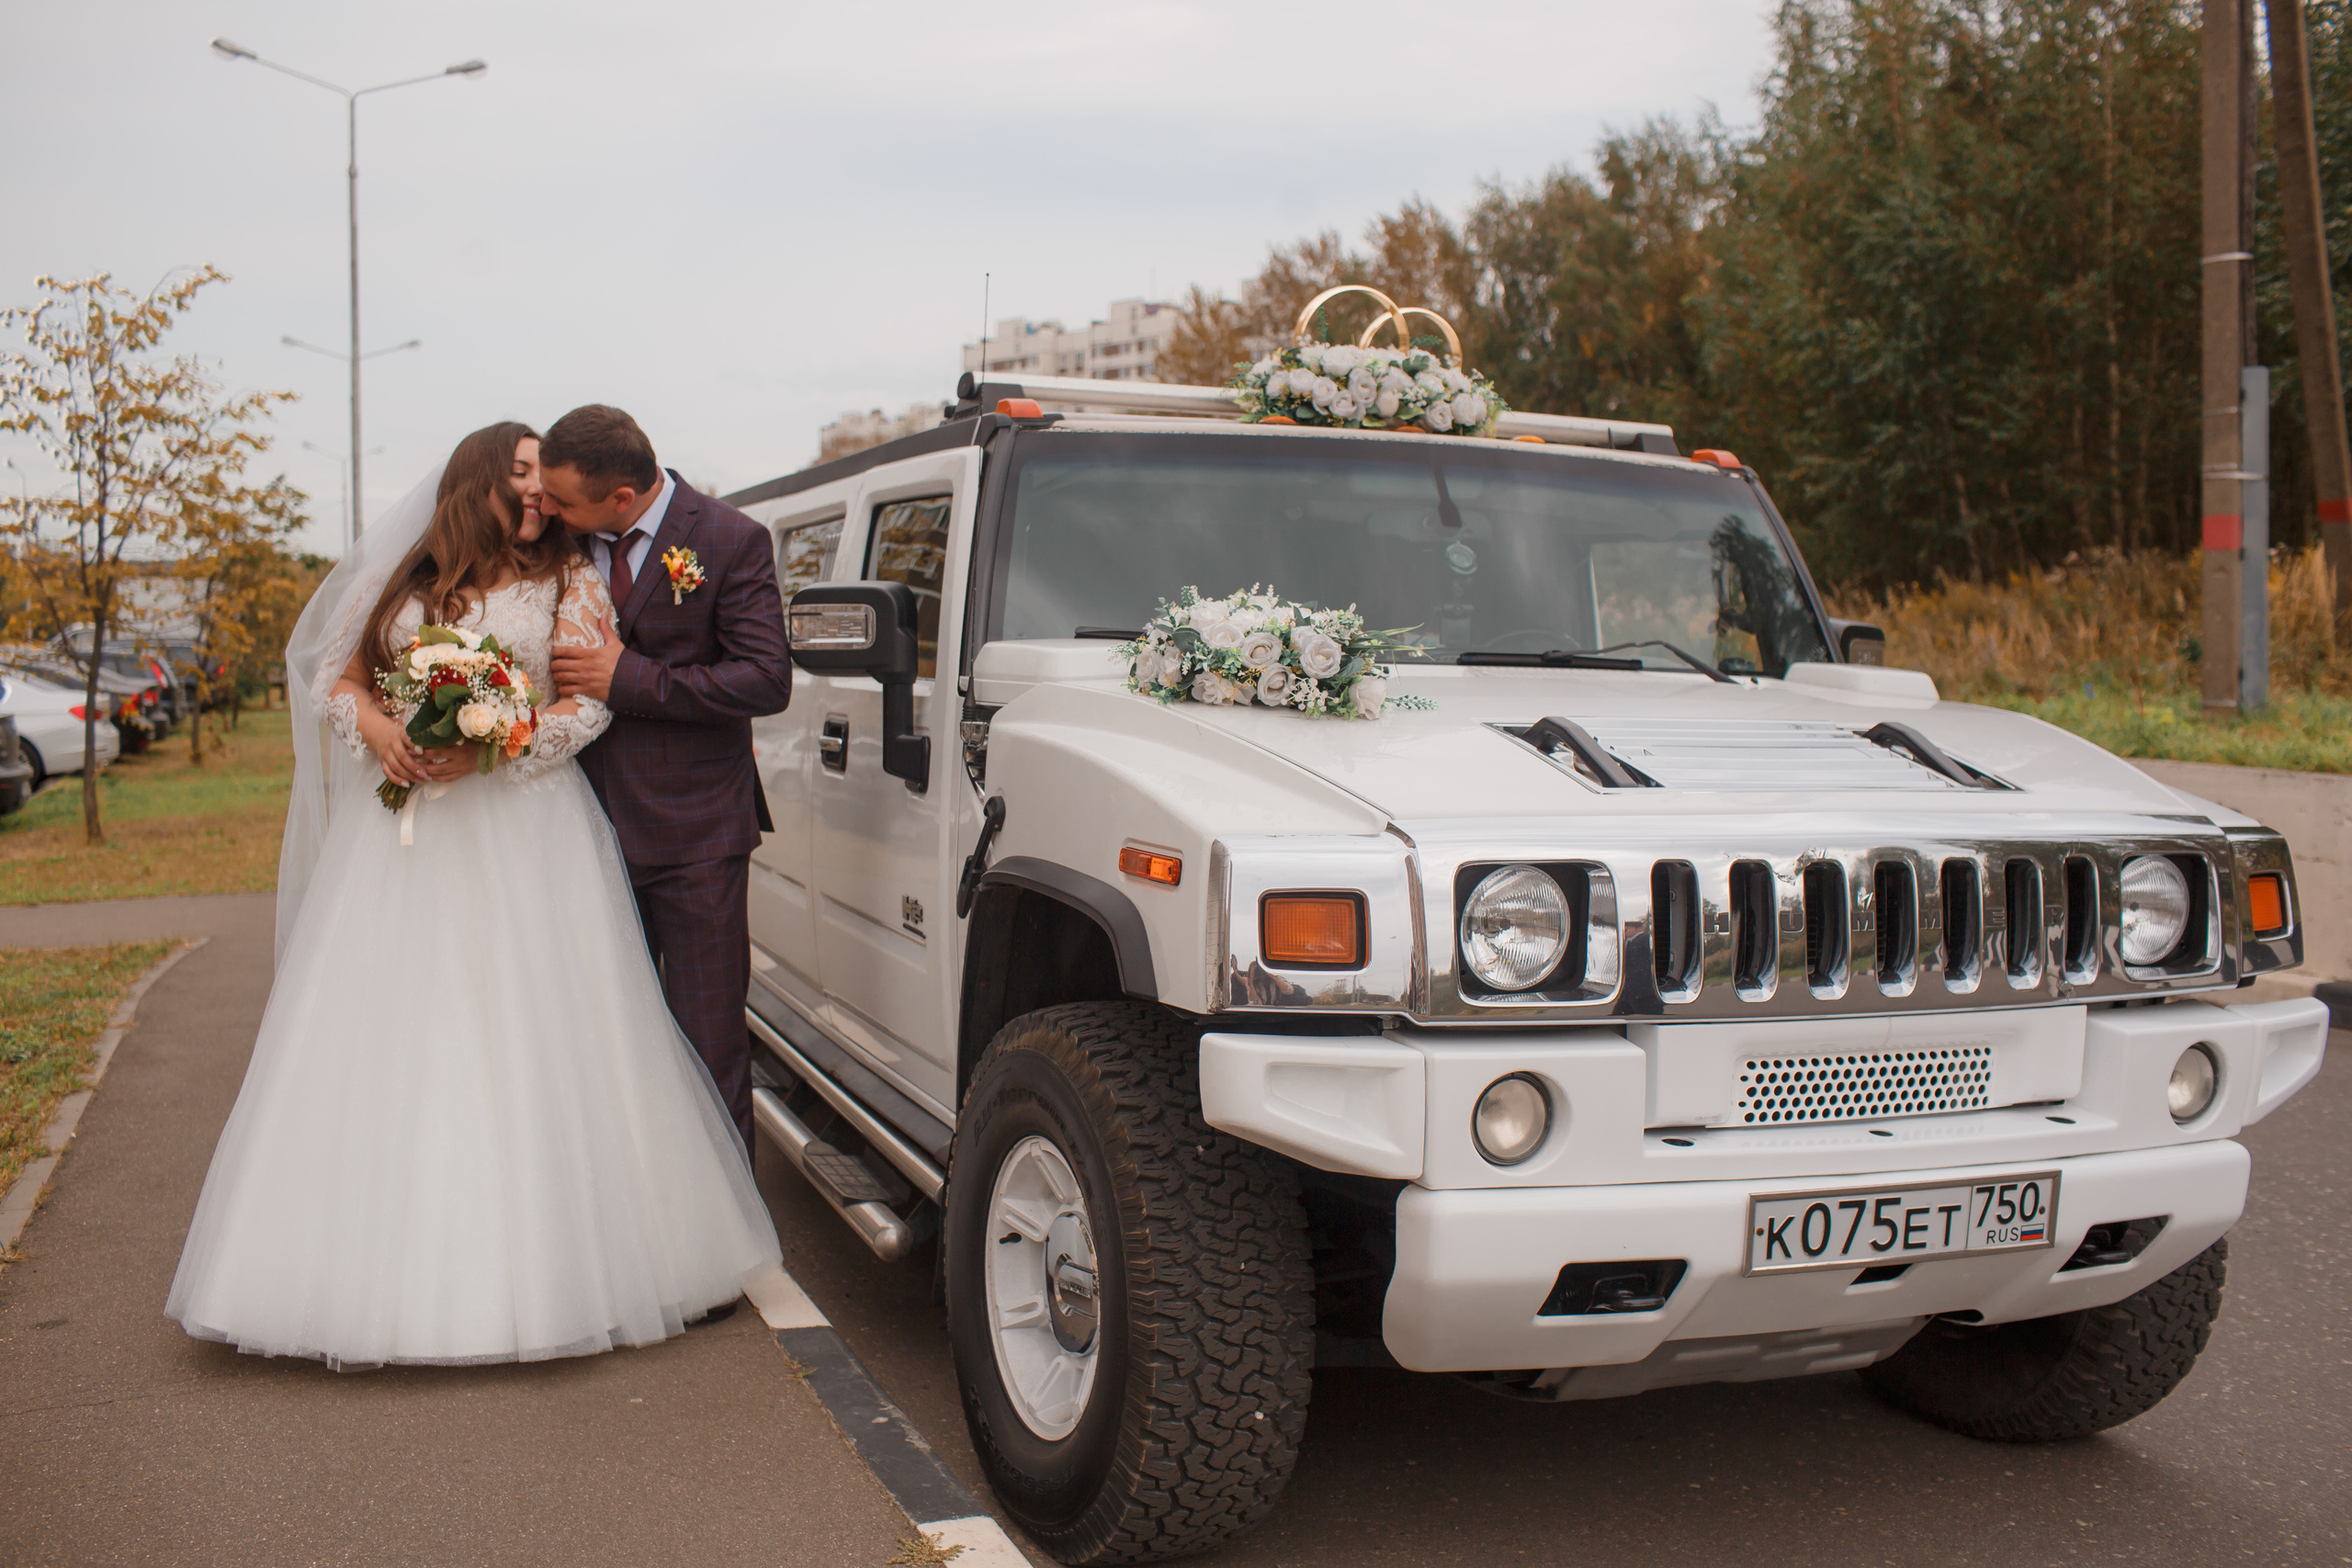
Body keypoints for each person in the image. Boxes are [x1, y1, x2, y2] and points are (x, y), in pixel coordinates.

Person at [165, 423, 782, 1370]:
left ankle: (594, 1261)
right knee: (394, 1037)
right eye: (528, 478)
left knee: (549, 1037)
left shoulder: (572, 576)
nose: (540, 499)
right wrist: (380, 734)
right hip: (404, 844)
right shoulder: (406, 580)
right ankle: (348, 1273)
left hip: (527, 829)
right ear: (482, 479)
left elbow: (592, 699)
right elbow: (339, 677)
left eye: (550, 485)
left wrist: (499, 744)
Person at [538, 405, 792, 1156]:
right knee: (602, 1044)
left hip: (696, 839)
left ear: (622, 495)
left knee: (708, 1046)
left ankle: (730, 1240)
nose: (546, 510)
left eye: (562, 499)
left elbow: (764, 679)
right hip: (577, 832)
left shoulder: (729, 539)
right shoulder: (559, 543)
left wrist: (631, 677)